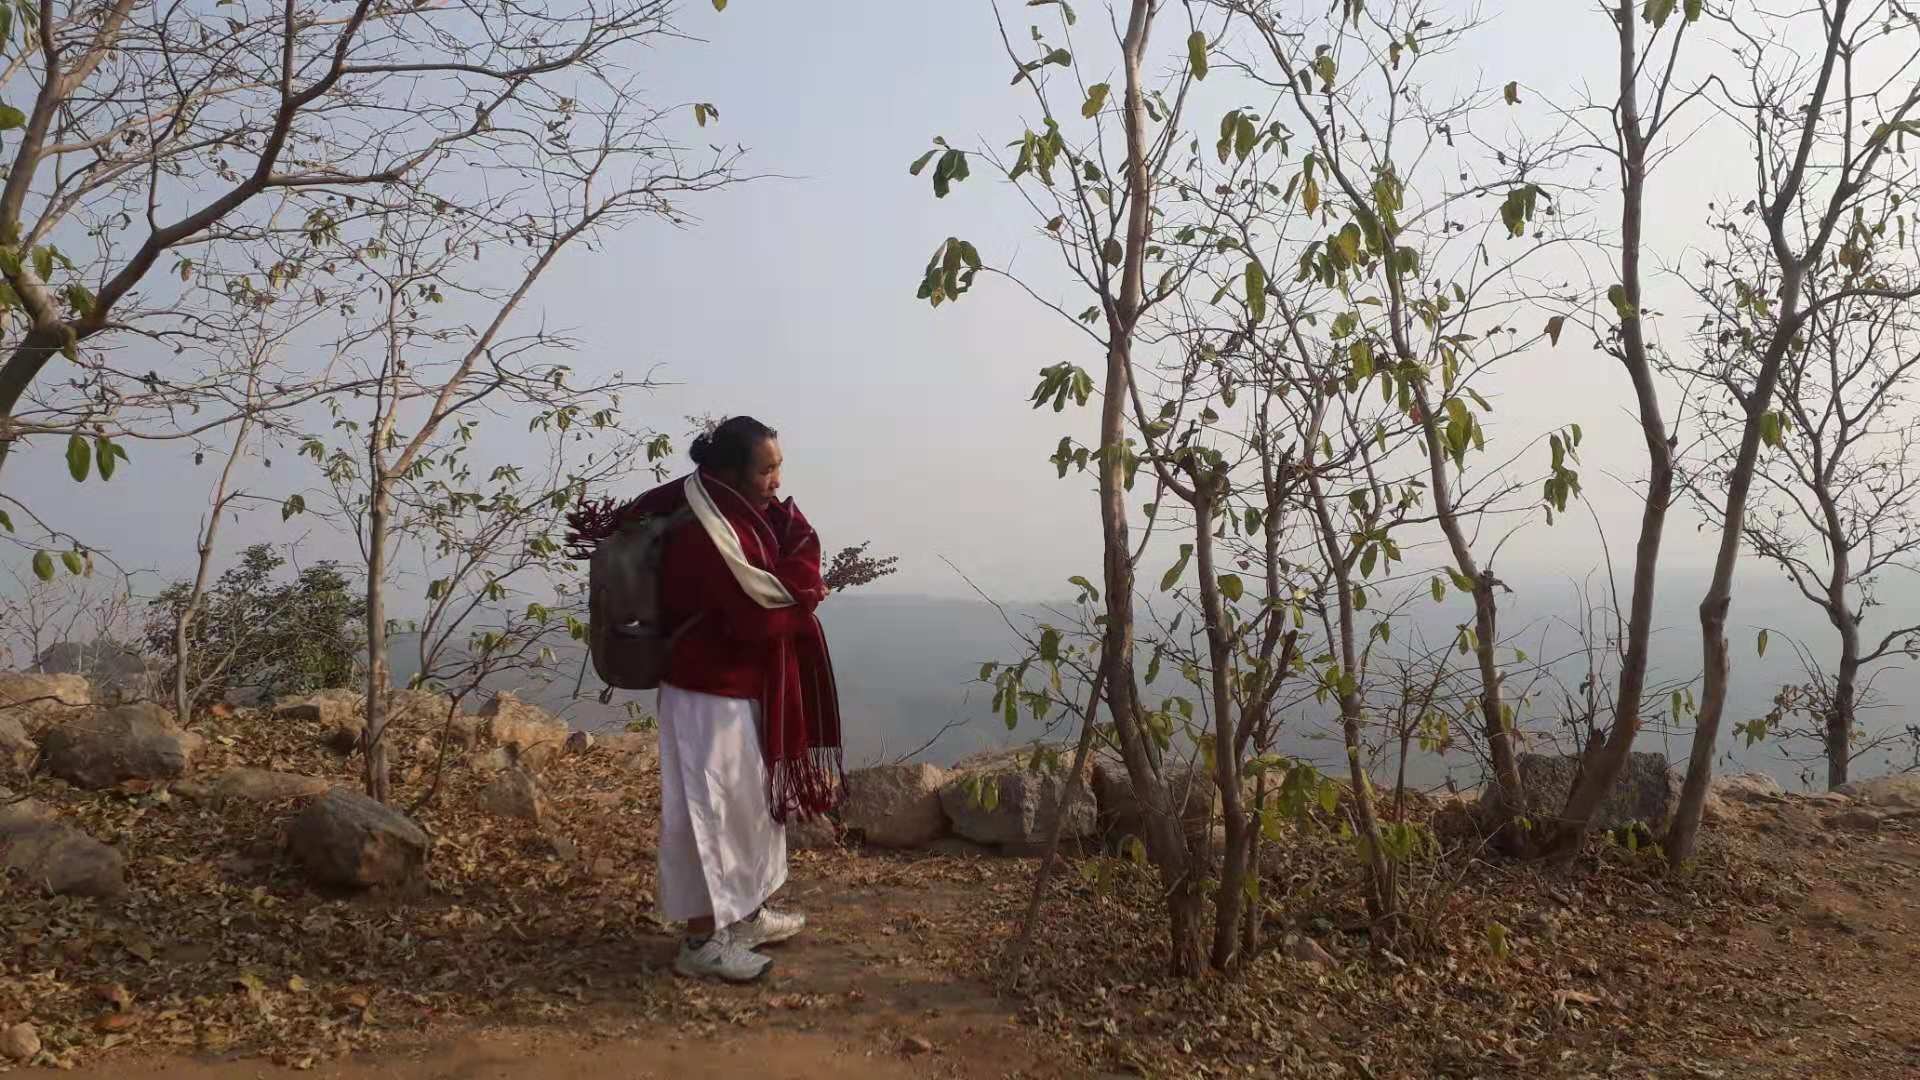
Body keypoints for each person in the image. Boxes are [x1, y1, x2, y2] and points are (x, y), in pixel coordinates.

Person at [586, 416, 844, 983]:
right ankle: (701, 942)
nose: (777, 480)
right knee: (710, 813)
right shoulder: (707, 531)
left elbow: (769, 589)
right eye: (766, 469)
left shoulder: (722, 506)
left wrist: (797, 579)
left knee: (748, 808)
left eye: (779, 466)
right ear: (730, 471)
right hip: (705, 692)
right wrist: (805, 590)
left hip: (737, 684)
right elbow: (757, 617)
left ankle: (745, 916)